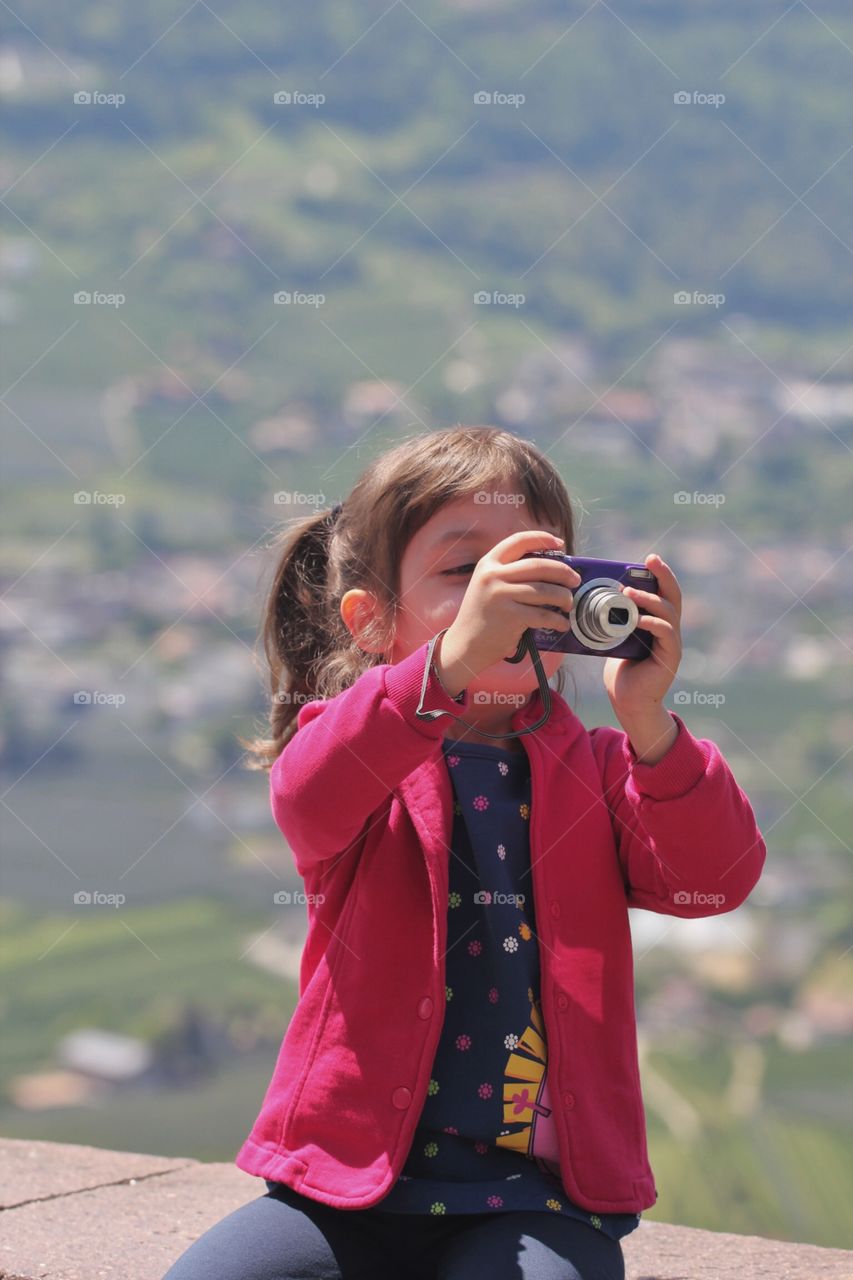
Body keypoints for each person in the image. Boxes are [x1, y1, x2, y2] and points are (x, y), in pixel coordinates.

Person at [162, 425, 766, 1280]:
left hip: (537, 1200)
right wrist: (448, 665)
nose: (505, 603)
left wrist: (649, 723)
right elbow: (308, 794)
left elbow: (712, 882)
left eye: (533, 575)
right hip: (344, 1191)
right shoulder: (354, 753)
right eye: (464, 575)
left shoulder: (598, 770)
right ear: (372, 623)